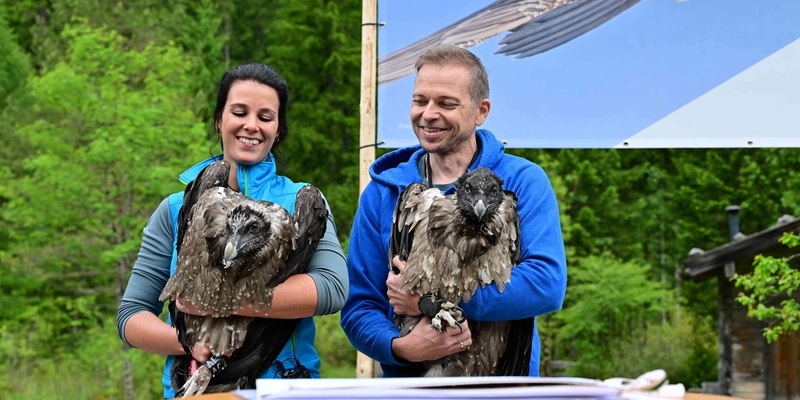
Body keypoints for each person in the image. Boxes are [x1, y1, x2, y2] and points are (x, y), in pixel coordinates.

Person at [116, 63, 348, 397]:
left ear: (279, 129)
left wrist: (218, 301)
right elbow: (131, 316)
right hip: (196, 388)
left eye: (266, 117)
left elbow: (331, 289)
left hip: (281, 387)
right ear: (219, 120)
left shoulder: (302, 201)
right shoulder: (175, 208)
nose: (251, 125)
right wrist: (187, 342)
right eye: (239, 112)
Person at [340, 44, 567, 377]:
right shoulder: (383, 192)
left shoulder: (521, 181)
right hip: (414, 390)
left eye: (446, 103)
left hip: (503, 388)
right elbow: (360, 305)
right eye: (420, 101)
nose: (429, 113)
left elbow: (545, 284)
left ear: (480, 110)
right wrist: (399, 348)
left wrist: (429, 301)